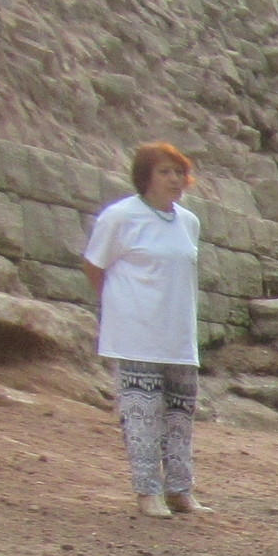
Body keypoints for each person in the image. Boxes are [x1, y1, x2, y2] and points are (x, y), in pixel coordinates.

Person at [83, 142, 205, 520]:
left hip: (178, 335)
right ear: (145, 177)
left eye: (179, 172)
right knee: (142, 415)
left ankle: (180, 490)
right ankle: (148, 492)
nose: (175, 179)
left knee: (180, 414)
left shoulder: (188, 222)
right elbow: (95, 265)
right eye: (165, 172)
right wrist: (120, 307)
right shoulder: (120, 217)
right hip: (137, 334)